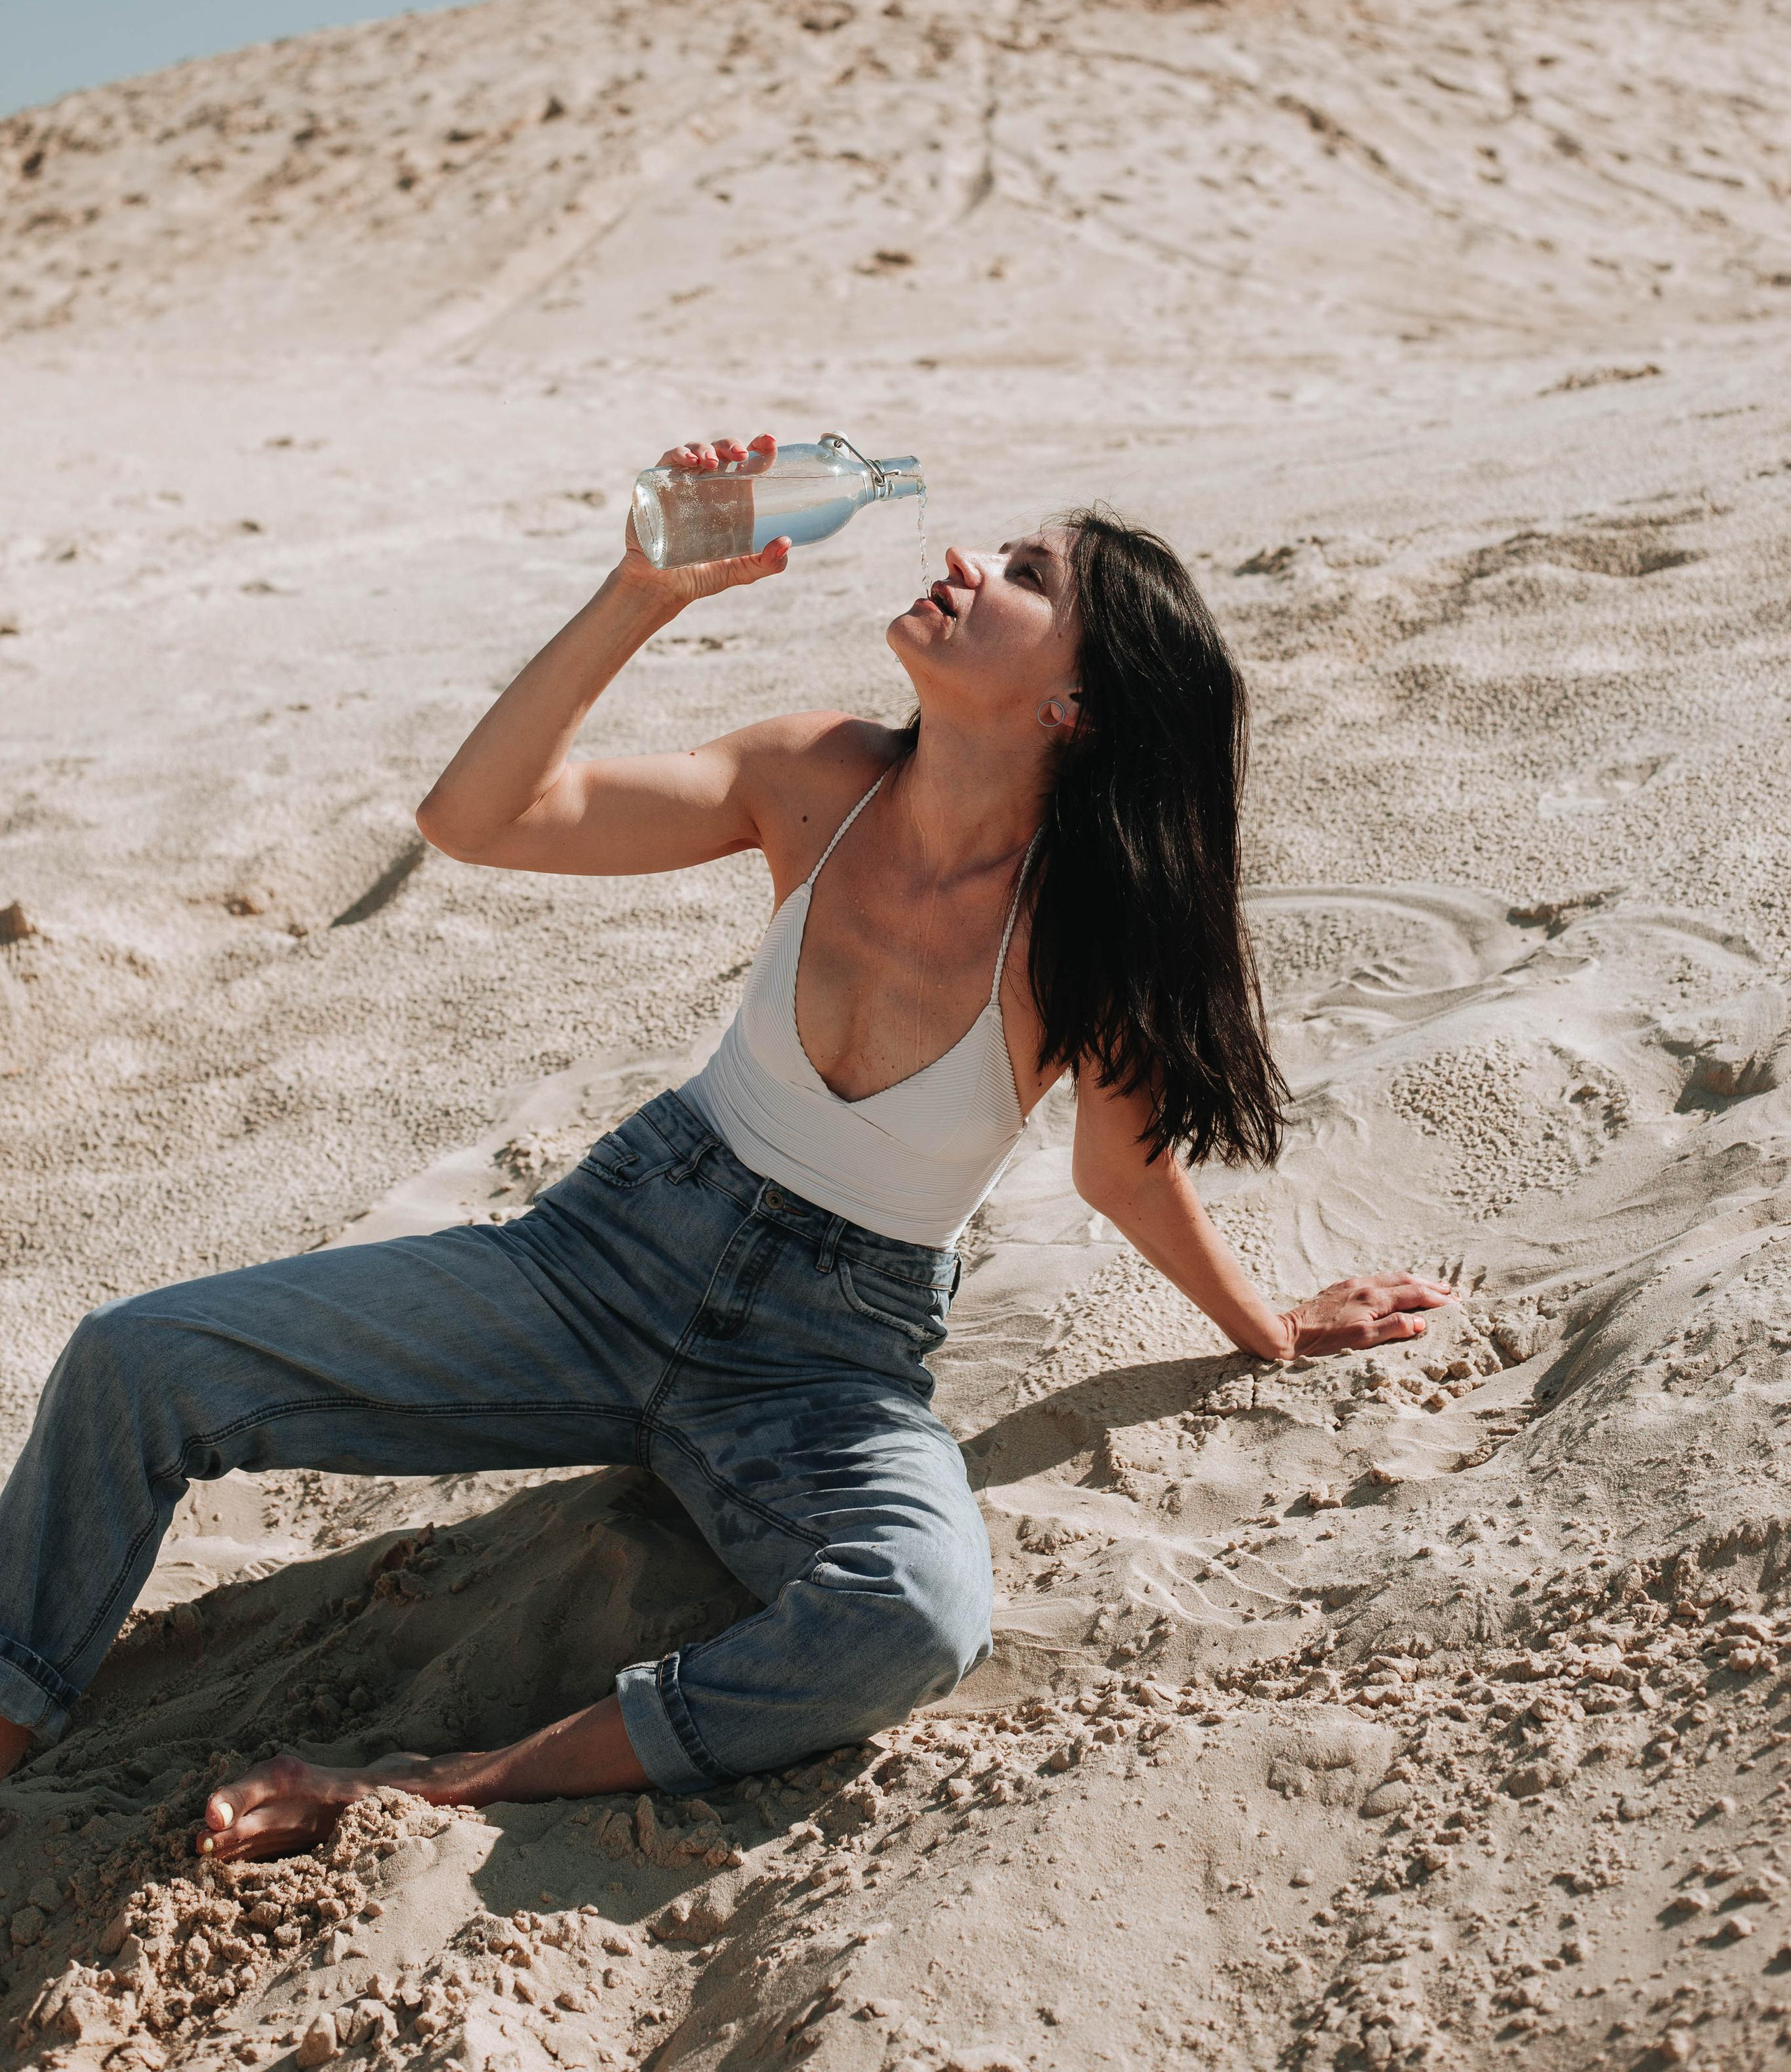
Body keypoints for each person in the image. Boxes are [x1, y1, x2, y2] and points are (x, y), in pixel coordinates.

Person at [0, 434, 1452, 1859]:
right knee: (141, 1360)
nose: (962, 561)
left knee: (917, 1619)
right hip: (593, 1268)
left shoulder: (1086, 940)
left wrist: (1270, 1329)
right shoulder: (813, 775)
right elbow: (478, 819)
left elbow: (1123, 1175)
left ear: (1075, 700)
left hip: (817, 1370)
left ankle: (431, 1790)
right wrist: (645, 590)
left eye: (1020, 572)